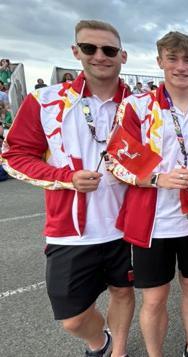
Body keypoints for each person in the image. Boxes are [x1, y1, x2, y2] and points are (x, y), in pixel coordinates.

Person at [1, 20, 134, 357]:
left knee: (123, 293)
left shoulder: (140, 105)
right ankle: (98, 341)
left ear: (123, 56)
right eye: (90, 48)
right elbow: (14, 155)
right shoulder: (45, 101)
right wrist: (65, 177)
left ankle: (118, 351)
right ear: (76, 52)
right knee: (72, 319)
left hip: (127, 225)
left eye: (109, 50)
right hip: (71, 231)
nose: (100, 56)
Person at [108, 31, 188, 357]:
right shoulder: (137, 106)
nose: (181, 67)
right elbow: (114, 158)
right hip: (153, 221)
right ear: (160, 62)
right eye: (173, 58)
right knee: (154, 298)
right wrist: (156, 178)